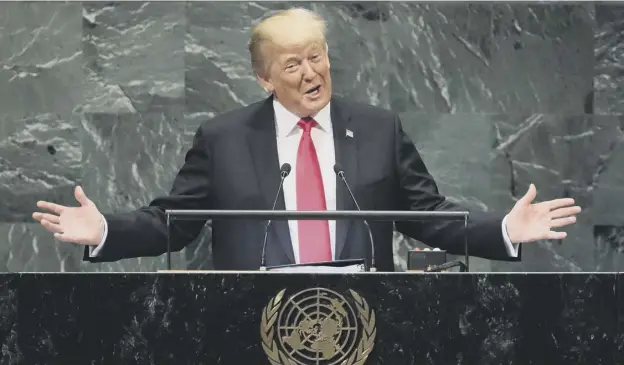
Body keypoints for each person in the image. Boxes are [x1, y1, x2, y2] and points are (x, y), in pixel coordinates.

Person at [32, 8, 581, 271]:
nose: (310, 72)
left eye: (316, 56)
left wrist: (504, 228)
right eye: (292, 64)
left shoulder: (376, 128)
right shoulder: (223, 139)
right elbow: (172, 222)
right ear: (265, 79)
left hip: (362, 323)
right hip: (252, 322)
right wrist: (103, 230)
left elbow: (428, 215)